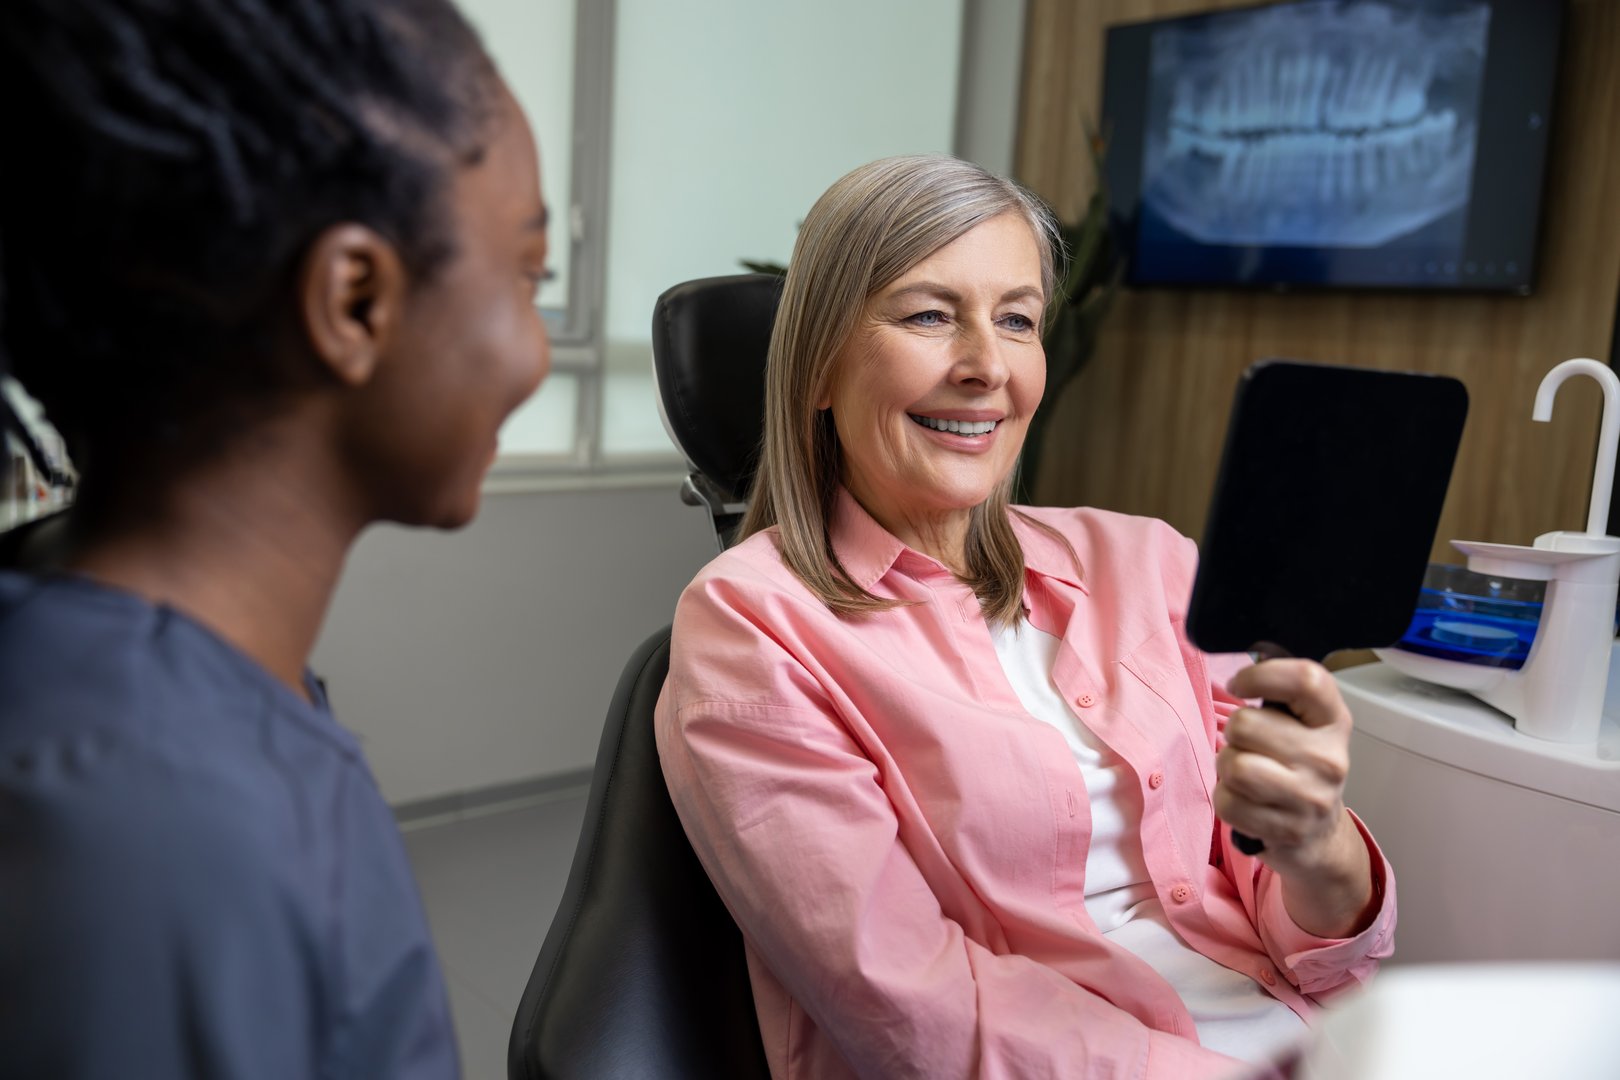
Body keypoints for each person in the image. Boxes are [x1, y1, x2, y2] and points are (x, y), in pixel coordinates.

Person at [655, 155, 1395, 1079]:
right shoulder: (752, 625)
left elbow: (1323, 952)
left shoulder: (1149, 561)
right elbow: (916, 1009)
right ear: (819, 368)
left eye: (1016, 320)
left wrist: (1318, 847)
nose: (987, 367)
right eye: (929, 316)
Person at [0, 1, 550, 1076]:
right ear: (355, 301)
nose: (535, 347)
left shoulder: (161, 687)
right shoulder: (154, 839)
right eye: (530, 276)